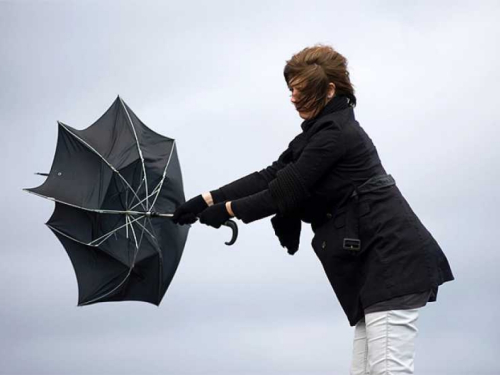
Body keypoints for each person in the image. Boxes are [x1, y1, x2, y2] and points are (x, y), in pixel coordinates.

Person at [172, 44, 455, 375]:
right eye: (290, 89)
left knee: (389, 371)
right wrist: (206, 200)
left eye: (300, 90)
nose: (292, 98)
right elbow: (271, 175)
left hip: (393, 262)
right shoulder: (317, 134)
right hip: (374, 269)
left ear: (330, 90)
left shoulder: (336, 134)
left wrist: (227, 210)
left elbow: (284, 191)